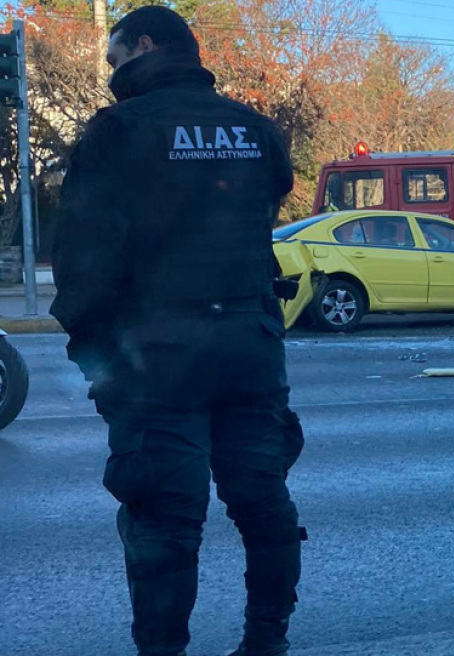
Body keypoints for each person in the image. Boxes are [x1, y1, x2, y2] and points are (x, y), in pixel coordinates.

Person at [49, 7, 303, 656]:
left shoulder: (118, 130)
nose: (111, 74)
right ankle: (267, 643)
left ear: (146, 45)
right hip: (250, 351)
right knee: (265, 507)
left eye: (114, 59)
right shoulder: (256, 129)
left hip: (159, 360)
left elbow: (81, 264)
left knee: (164, 525)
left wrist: (99, 365)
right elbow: (264, 210)